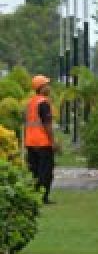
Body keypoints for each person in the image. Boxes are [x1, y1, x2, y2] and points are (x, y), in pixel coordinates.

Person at [24, 75, 56, 204]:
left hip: (30, 142)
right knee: (45, 171)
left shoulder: (31, 102)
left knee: (34, 171)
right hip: (42, 142)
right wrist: (53, 142)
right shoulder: (43, 103)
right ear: (41, 88)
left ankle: (35, 196)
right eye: (47, 85)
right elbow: (47, 124)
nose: (49, 87)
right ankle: (43, 197)